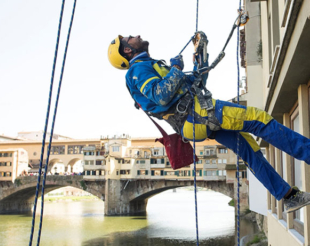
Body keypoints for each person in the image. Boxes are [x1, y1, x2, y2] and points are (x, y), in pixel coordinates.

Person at [108, 34, 310, 213]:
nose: (136, 35)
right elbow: (161, 95)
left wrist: (200, 58)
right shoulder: (138, 69)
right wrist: (177, 68)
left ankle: (288, 196)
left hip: (193, 121)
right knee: (259, 119)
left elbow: (197, 84)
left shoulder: (149, 66)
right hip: (198, 112)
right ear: (127, 50)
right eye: (129, 38)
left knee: (249, 149)